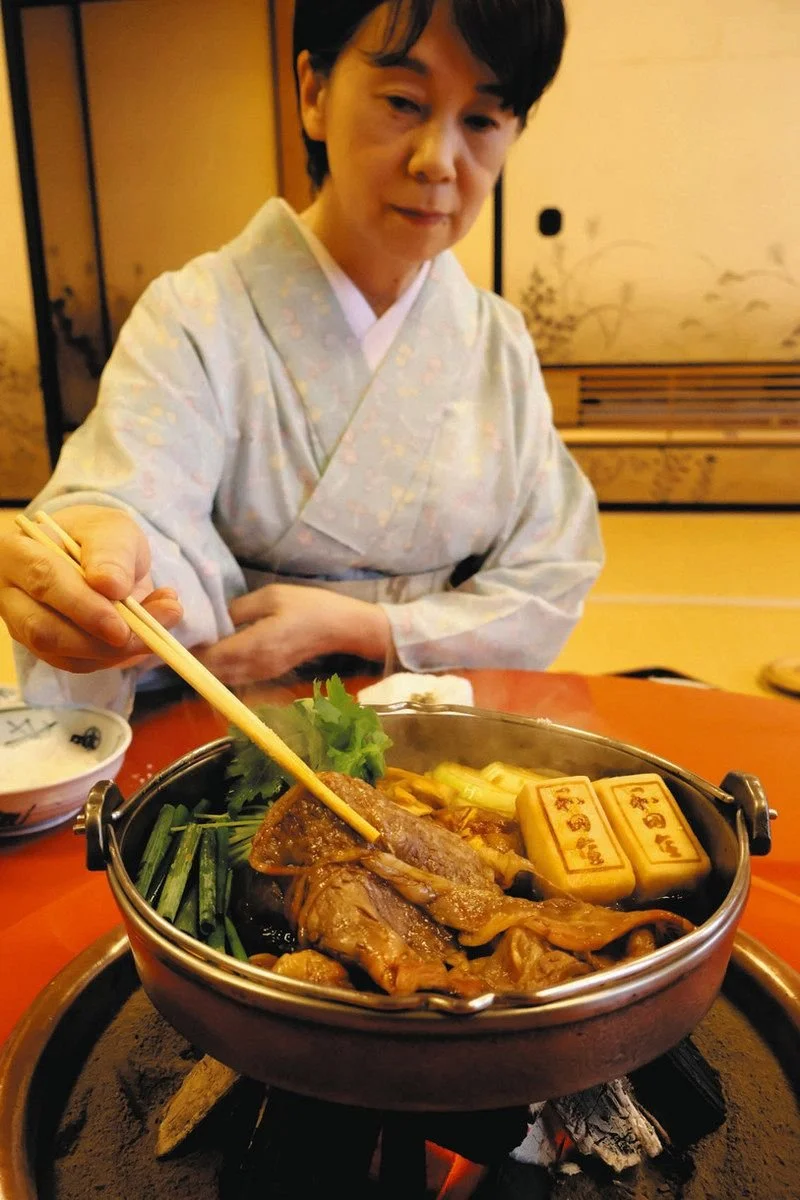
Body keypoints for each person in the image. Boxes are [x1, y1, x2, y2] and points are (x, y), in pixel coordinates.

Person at [0, 0, 603, 715]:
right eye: (403, 102)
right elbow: (134, 497)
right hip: (234, 724)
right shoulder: (197, 315)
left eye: (481, 120)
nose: (437, 161)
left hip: (441, 722)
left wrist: (369, 627)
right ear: (314, 93)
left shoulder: (496, 341)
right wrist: (100, 557)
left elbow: (551, 569)